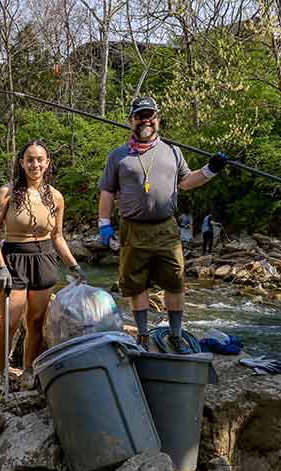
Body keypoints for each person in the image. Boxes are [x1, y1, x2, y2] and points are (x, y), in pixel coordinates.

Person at [97, 96, 228, 354]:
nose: (146, 120)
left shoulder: (172, 151)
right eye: (140, 116)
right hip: (132, 228)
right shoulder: (118, 156)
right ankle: (143, 336)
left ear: (158, 119)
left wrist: (211, 169)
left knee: (175, 281)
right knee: (136, 284)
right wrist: (104, 224)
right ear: (131, 121)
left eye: (151, 116)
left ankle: (176, 335)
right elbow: (107, 192)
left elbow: (188, 181)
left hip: (166, 228)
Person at [0, 139, 85, 377]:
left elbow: (58, 236)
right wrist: (0, 266)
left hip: (44, 261)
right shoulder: (7, 193)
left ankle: (29, 371)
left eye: (40, 159)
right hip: (14, 261)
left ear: (47, 163)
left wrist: (74, 266)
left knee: (36, 322)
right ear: (22, 163)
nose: (35, 164)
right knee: (10, 323)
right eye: (29, 159)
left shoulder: (56, 197)